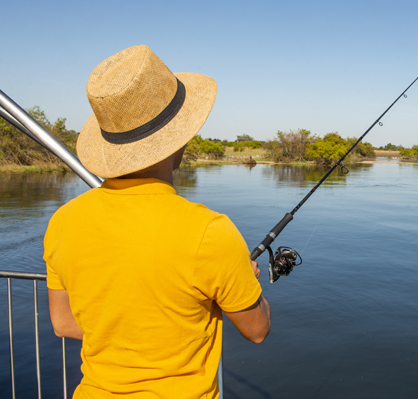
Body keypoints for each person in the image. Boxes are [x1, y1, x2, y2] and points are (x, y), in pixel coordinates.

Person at [43, 45, 270, 398]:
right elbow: (257, 330)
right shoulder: (210, 232)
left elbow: (63, 324)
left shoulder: (62, 221)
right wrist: (246, 281)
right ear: (178, 141)